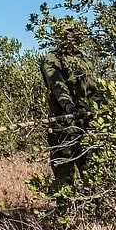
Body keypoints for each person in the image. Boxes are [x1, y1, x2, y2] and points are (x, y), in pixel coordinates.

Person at [40, 24, 103, 185]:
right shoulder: (52, 59)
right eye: (67, 34)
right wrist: (69, 106)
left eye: (74, 34)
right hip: (63, 122)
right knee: (64, 172)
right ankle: (65, 201)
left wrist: (103, 108)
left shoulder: (84, 60)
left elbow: (93, 88)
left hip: (87, 122)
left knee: (92, 170)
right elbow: (57, 86)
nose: (71, 37)